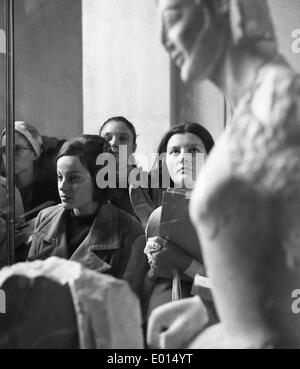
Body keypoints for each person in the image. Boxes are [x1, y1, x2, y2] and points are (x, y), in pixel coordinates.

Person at [148, 0, 300, 349]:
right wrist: (210, 310)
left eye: (172, 17)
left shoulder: (280, 108)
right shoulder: (251, 109)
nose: (163, 39)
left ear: (221, 8)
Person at [27, 135, 147, 297]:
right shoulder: (46, 218)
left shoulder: (128, 230)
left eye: (74, 178)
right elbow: (28, 286)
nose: (63, 186)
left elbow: (128, 304)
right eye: (59, 177)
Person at [143, 122, 215, 321]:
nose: (184, 157)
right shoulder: (157, 216)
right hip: (160, 325)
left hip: (209, 327)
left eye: (193, 150)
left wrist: (186, 264)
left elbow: (235, 292)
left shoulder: (226, 214)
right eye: (175, 151)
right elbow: (153, 278)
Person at [99, 116, 163, 227]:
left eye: (123, 139)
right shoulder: (87, 183)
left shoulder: (150, 184)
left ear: (133, 148)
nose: (114, 143)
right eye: (107, 138)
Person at [1, 121, 60, 217]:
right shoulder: (2, 190)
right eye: (4, 150)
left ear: (35, 153)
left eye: (17, 149)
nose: (9, 155)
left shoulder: (53, 191)